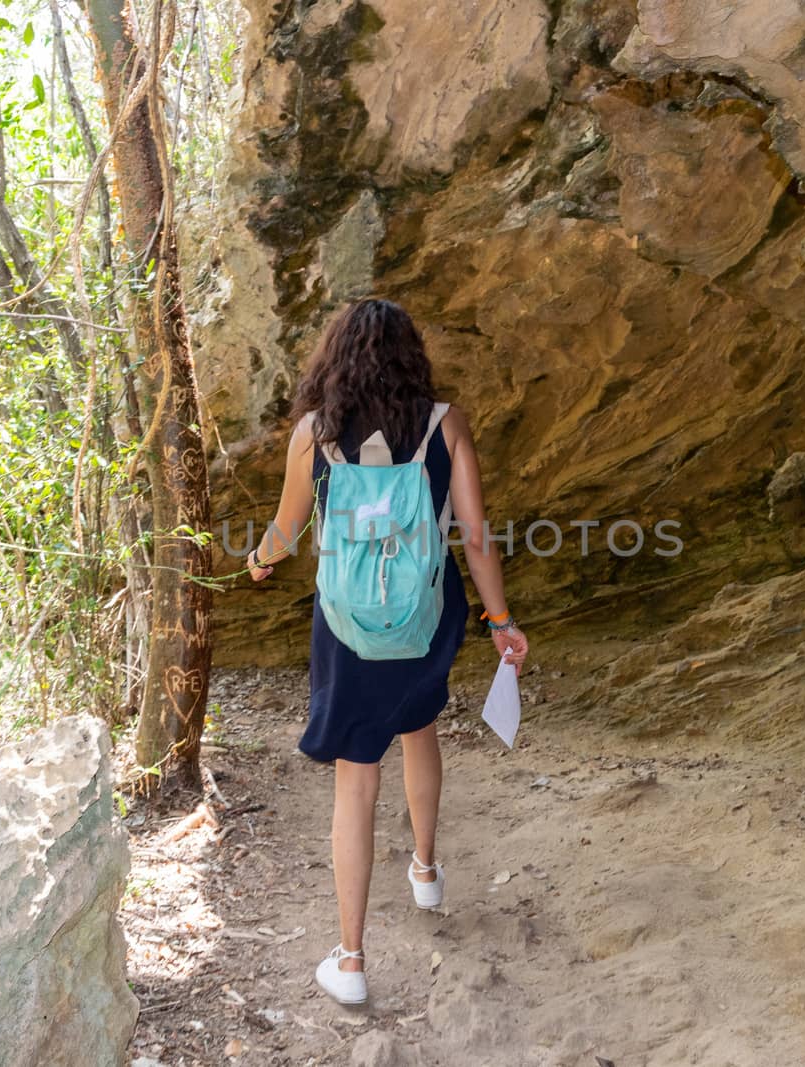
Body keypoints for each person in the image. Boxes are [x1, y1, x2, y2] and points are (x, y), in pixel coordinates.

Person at [246, 298, 529, 1005]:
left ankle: (350, 960)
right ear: (412, 356)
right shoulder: (444, 424)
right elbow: (476, 536)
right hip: (425, 615)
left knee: (355, 776)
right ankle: (426, 873)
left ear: (335, 358)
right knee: (419, 726)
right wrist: (500, 619)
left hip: (347, 628)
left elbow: (285, 528)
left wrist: (258, 559)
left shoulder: (313, 435)